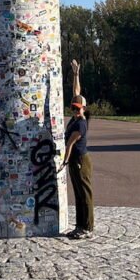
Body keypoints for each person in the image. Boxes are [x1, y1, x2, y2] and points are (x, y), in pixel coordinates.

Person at [60, 58, 94, 239]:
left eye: (78, 108)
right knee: (78, 194)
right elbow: (76, 91)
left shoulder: (81, 124)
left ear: (84, 109)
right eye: (73, 107)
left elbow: (70, 144)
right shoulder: (75, 118)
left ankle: (87, 227)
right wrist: (76, 74)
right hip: (75, 159)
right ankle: (80, 226)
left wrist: (64, 161)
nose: (75, 110)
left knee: (85, 193)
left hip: (80, 159)